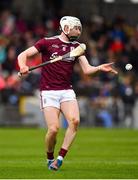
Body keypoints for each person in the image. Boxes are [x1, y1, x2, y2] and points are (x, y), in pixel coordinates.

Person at [18, 16, 118, 171]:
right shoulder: (47, 42)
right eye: (75, 27)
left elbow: (87, 69)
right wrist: (23, 66)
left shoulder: (77, 47)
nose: (78, 30)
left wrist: (98, 68)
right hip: (48, 91)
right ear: (65, 28)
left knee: (75, 121)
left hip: (66, 91)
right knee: (53, 129)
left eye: (79, 28)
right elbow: (22, 55)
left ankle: (59, 158)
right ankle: (49, 157)